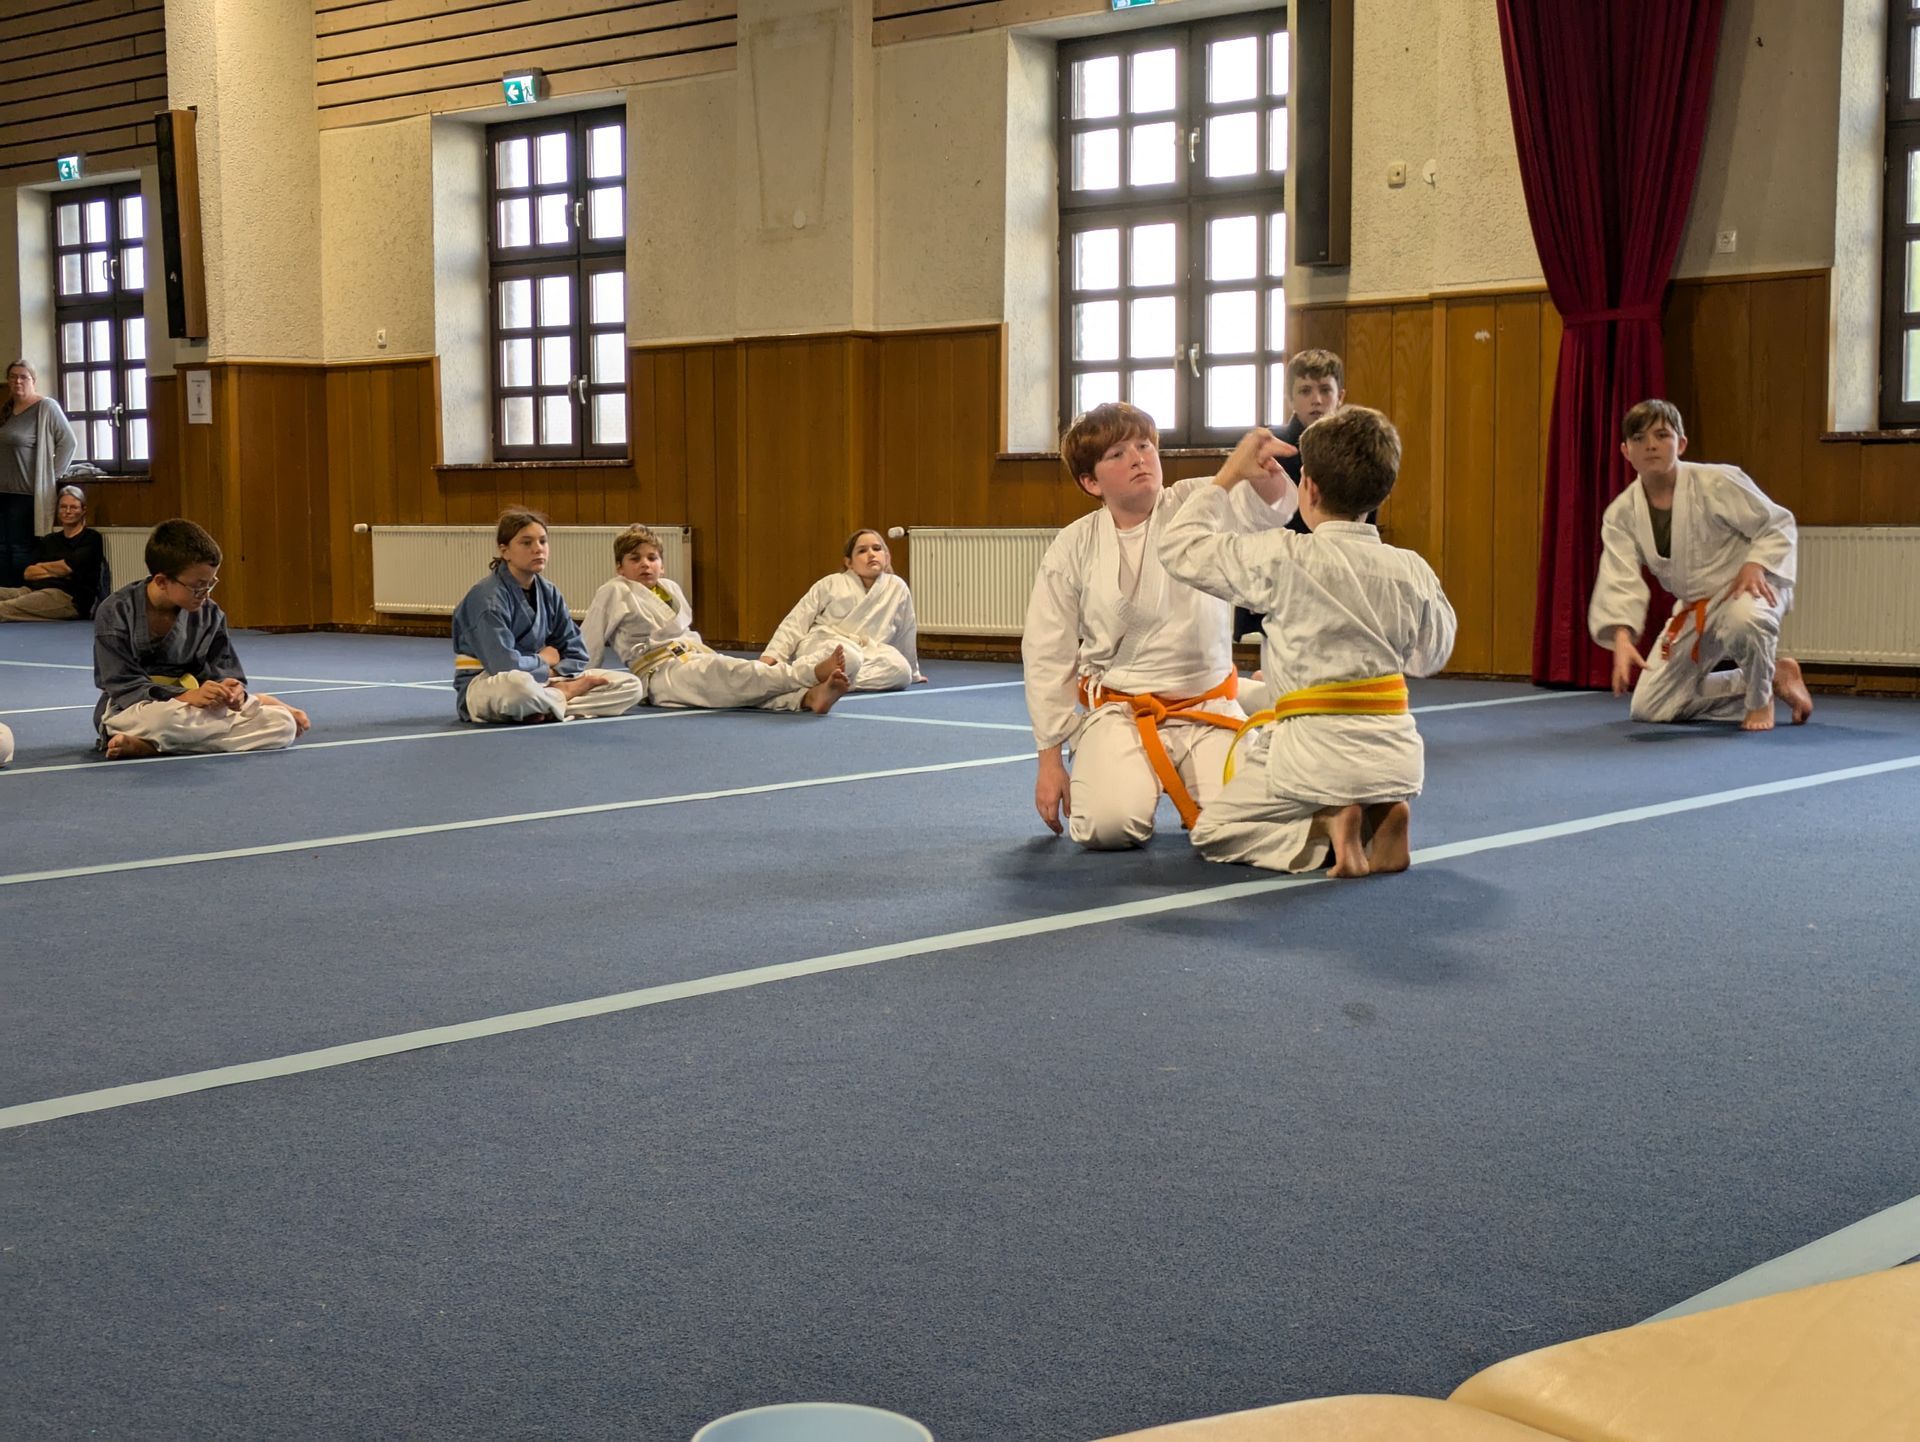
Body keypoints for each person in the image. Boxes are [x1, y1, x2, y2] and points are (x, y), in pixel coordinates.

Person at [1162, 408, 1456, 877]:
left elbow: (1179, 547)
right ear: (1382, 491)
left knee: (1215, 831)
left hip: (1311, 755)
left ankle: (1327, 824)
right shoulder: (1412, 568)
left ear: (1309, 488)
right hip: (1396, 758)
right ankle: (1380, 815)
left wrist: (1229, 476)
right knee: (1311, 746)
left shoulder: (1286, 556)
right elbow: (1431, 656)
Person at [1023, 401, 1298, 850]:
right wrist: (1049, 761)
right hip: (1121, 713)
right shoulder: (1073, 546)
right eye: (1117, 454)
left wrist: (1261, 468)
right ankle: (1252, 696)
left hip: (1207, 705)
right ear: (1091, 482)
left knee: (1252, 828)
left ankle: (1248, 698)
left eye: (1144, 446)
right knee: (1107, 828)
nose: (1138, 458)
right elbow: (1046, 652)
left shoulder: (1195, 501)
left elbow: (1271, 508)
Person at [1588, 400, 1813, 732]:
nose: (1650, 445)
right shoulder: (1622, 513)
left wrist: (1755, 563)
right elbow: (1618, 575)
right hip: (1696, 605)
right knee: (1650, 706)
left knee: (1744, 621)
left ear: (1680, 444)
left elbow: (1777, 524)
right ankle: (1772, 675)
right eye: (1638, 438)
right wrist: (1622, 638)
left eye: (1661, 435)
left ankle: (1758, 699)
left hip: (1748, 588)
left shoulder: (1717, 482)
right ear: (1626, 451)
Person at [92, 519, 310, 759]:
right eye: (198, 587)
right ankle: (169, 739)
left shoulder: (210, 613)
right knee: (166, 720)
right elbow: (122, 684)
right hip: (136, 708)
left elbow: (223, 672)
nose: (205, 595)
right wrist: (182, 696)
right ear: (162, 581)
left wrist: (231, 691)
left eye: (210, 584)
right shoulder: (115, 611)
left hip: (194, 709)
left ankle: (152, 746)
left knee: (282, 725)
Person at [582, 525, 850, 713]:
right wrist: (580, 680)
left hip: (693, 657)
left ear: (662, 565)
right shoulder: (614, 590)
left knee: (734, 690)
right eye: (635, 559)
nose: (645, 564)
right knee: (734, 674)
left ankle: (807, 698)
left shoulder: (670, 588)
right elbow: (590, 638)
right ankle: (809, 673)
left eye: (652, 558)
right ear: (620, 567)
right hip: (660, 674)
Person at [451, 509, 642, 723]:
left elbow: (577, 653)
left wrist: (554, 674)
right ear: (505, 551)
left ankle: (546, 704)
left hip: (546, 680)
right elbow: (503, 665)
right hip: (488, 683)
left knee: (630, 686)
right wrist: (544, 660)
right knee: (517, 688)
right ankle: (561, 697)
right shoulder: (486, 599)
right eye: (527, 543)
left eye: (543, 541)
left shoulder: (549, 592)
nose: (538, 549)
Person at [1236, 347, 1356, 643]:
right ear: (1290, 398)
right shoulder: (1268, 448)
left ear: (1340, 396)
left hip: (1334, 578)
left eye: (1325, 390)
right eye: (1305, 391)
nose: (1316, 400)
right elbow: (1247, 523)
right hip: (1274, 578)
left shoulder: (1355, 451)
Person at [758, 529, 923, 691]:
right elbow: (797, 619)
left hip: (866, 652)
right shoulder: (831, 583)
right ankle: (807, 675)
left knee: (901, 671)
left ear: (887, 557)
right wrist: (772, 655)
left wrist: (913, 672)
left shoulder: (897, 587)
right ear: (849, 563)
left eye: (877, 548)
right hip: (825, 645)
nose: (871, 554)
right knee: (850, 657)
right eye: (862, 551)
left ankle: (829, 681)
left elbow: (906, 629)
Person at [0, 359, 79, 586]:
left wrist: (50, 476)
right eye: (13, 376)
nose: (18, 381)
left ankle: (21, 594)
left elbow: (68, 442)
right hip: (3, 493)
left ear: (33, 380)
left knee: (19, 549)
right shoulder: (6, 411)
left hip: (26, 495)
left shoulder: (46, 408)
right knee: (2, 549)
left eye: (23, 377)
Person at [0, 484, 106, 621]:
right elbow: (28, 573)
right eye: (63, 507)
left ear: (83, 510)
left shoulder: (91, 538)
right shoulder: (49, 540)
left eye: (73, 507)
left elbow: (67, 567)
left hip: (67, 596)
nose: (68, 511)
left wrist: (44, 568)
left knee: (5, 608)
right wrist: (60, 570)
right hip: (33, 590)